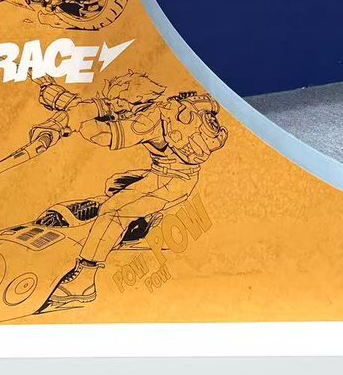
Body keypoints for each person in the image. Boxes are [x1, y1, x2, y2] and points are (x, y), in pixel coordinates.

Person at [29, 72, 228, 309]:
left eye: (118, 102)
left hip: (170, 181)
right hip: (170, 173)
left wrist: (75, 122)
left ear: (135, 99)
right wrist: (52, 92)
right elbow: (89, 107)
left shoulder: (150, 120)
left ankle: (84, 282)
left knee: (114, 210)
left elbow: (104, 134)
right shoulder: (172, 106)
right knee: (116, 184)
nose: (114, 107)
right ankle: (143, 222)